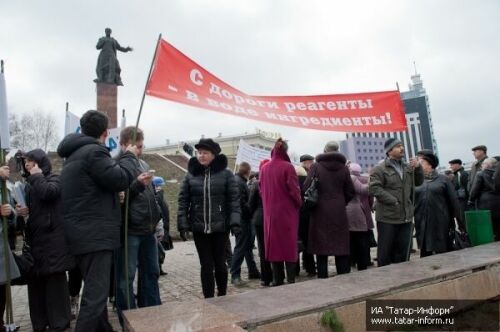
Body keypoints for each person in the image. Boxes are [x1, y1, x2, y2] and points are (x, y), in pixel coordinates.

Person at [57, 110, 140, 332]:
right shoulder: (94, 152)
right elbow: (120, 178)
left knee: (97, 292)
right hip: (95, 235)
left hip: (81, 233)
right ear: (105, 133)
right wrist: (130, 156)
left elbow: (92, 190)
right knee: (95, 297)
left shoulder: (73, 155)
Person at [177, 138, 241, 298]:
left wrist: (234, 222)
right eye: (199, 152)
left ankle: (222, 294)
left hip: (220, 227)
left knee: (220, 263)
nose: (201, 156)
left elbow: (233, 200)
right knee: (206, 265)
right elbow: (183, 199)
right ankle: (208, 298)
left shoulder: (226, 174)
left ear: (214, 155)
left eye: (205, 153)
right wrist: (183, 223)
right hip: (199, 227)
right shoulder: (191, 174)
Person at [114, 126, 161, 324]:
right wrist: (137, 185)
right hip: (129, 230)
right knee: (127, 277)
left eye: (141, 146)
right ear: (124, 144)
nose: (140, 151)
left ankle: (152, 314)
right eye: (136, 146)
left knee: (151, 272)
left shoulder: (142, 163)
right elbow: (118, 200)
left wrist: (158, 221)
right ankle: (129, 319)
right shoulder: (115, 165)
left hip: (148, 229)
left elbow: (151, 196)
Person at [369, 138, 424, 267]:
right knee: (385, 252)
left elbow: (418, 182)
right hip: (388, 217)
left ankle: (403, 276)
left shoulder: (407, 167)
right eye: (398, 146)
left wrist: (418, 168)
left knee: (403, 252)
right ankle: (386, 279)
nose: (402, 148)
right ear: (389, 151)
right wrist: (393, 201)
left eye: (402, 146)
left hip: (406, 217)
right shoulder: (380, 169)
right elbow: (374, 188)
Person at [304, 141, 354, 278]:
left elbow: (307, 186)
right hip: (338, 209)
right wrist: (341, 202)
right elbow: (350, 191)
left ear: (325, 151)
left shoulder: (316, 166)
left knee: (321, 246)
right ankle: (344, 275)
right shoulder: (344, 168)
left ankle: (323, 276)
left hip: (320, 209)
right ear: (337, 151)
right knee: (341, 244)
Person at [260, 138, 302, 285]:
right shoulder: (288, 167)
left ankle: (277, 279)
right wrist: (299, 204)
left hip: (269, 213)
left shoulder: (264, 168)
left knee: (274, 245)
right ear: (285, 150)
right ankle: (291, 278)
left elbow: (261, 189)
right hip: (287, 211)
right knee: (289, 244)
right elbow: (294, 191)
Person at [414, 152, 463, 257]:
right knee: (425, 251)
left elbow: (454, 201)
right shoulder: (416, 180)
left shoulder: (443, 179)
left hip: (440, 221)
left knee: (443, 251)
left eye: (421, 162)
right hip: (422, 221)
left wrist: (460, 223)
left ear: (430, 165)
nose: (419, 164)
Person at [230, 162, 260, 286]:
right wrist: (250, 209)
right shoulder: (239, 182)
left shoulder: (238, 181)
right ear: (247, 171)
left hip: (243, 219)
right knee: (241, 247)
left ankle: (253, 271)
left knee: (247, 246)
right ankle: (235, 275)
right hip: (242, 219)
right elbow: (241, 203)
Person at [0, 165, 20, 332]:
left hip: (1, 243)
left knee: (2, 288)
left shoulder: (4, 187)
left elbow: (12, 220)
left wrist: (10, 213)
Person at [248, 160, 273, 286]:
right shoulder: (274, 181)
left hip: (259, 218)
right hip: (273, 217)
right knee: (274, 246)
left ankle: (266, 277)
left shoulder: (257, 183)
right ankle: (279, 274)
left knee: (263, 248)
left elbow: (251, 203)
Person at [346, 163, 373, 271]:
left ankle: (349, 264)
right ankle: (363, 264)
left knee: (349, 240)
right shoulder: (352, 178)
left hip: (341, 212)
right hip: (355, 212)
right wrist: (371, 178)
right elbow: (364, 191)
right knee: (361, 238)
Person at [469, 158, 500, 241]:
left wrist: (470, 200)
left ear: (487, 165)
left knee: (489, 227)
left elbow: (475, 190)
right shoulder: (498, 173)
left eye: (483, 164)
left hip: (485, 204)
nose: (481, 166)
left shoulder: (480, 174)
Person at [297, 155, 316, 276]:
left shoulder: (297, 174)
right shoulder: (304, 177)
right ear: (305, 163)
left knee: (298, 241)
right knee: (307, 241)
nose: (312, 164)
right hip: (305, 213)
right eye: (310, 162)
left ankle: (296, 268)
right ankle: (309, 267)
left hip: (297, 212)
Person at [153, 176, 170, 276]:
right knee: (158, 250)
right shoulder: (157, 196)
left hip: (162, 226)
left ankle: (159, 267)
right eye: (159, 186)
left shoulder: (160, 196)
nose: (160, 188)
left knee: (160, 250)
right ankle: (157, 268)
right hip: (158, 227)